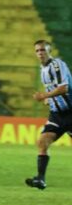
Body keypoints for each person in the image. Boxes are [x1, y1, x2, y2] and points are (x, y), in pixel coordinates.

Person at [25, 40, 72, 190]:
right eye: (37, 51)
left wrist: (45, 95)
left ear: (49, 51)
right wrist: (48, 100)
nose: (40, 53)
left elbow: (64, 88)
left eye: (43, 50)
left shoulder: (57, 65)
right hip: (57, 115)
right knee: (42, 142)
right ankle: (40, 179)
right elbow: (55, 92)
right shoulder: (43, 69)